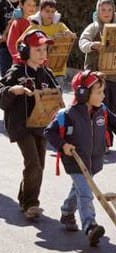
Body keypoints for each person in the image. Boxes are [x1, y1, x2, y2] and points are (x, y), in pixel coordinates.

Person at [44, 70, 116, 246]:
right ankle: (90, 226)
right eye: (99, 92)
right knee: (85, 192)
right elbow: (50, 132)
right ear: (83, 93)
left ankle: (67, 212)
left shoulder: (102, 111)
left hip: (94, 161)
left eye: (103, 92)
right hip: (75, 160)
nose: (103, 96)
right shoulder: (68, 114)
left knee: (79, 189)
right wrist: (63, 146)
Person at [0, 29, 57, 219]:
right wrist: (12, 90)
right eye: (37, 50)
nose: (43, 54)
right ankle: (31, 204)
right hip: (20, 125)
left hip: (40, 125)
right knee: (33, 163)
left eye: (44, 50)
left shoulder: (46, 73)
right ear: (25, 51)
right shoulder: (16, 71)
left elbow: (56, 94)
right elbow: (1, 93)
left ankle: (25, 196)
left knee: (38, 165)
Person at [79, 0, 116, 150]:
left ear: (113, 11)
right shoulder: (94, 27)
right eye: (103, 10)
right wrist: (93, 45)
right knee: (101, 108)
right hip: (97, 76)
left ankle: (105, 138)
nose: (106, 13)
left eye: (109, 10)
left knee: (115, 106)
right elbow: (82, 43)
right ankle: (102, 141)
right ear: (98, 11)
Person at [25, 0, 76, 89]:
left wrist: (68, 34)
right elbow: (21, 41)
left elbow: (72, 35)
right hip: (40, 69)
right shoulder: (34, 27)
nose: (50, 14)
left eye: (53, 11)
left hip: (58, 70)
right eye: (47, 11)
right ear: (40, 11)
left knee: (58, 98)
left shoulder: (60, 26)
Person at [6, 0, 36, 64]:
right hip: (21, 64)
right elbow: (11, 45)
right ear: (22, 5)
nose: (32, 8)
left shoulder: (38, 23)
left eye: (34, 5)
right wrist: (20, 59)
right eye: (29, 5)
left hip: (36, 64)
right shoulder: (17, 23)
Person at [0, 0, 20, 77]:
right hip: (4, 46)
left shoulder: (26, 3)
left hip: (21, 47)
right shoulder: (2, 4)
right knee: (6, 76)